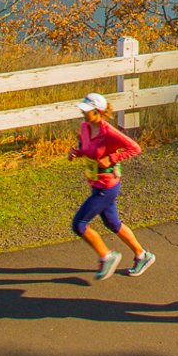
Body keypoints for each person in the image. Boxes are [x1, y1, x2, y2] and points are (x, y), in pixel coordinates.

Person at [69, 92, 154, 280]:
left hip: (107, 186)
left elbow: (135, 148)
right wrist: (77, 152)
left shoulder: (109, 132)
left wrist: (112, 158)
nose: (83, 114)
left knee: (79, 224)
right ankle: (143, 255)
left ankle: (107, 256)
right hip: (95, 182)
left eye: (88, 111)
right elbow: (85, 147)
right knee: (112, 223)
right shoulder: (84, 127)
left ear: (98, 111)